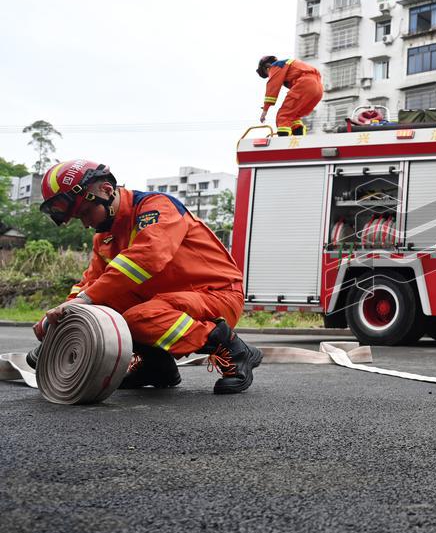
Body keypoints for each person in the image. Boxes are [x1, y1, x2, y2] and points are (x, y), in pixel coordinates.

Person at [31, 159, 263, 395]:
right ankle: (157, 367)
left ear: (107, 191)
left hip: (217, 294)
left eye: (86, 213)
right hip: (167, 300)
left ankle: (234, 349)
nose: (86, 223)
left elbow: (148, 256)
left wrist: (85, 300)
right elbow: (91, 283)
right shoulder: (105, 237)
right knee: (103, 306)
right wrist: (63, 318)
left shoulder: (157, 207)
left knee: (136, 318)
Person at [257, 55, 323, 136]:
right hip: (318, 88)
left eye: (267, 74)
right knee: (294, 115)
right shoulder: (288, 64)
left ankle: (284, 142)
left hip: (305, 84)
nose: (270, 76)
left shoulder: (276, 65)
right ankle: (298, 140)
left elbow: (273, 86)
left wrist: (265, 110)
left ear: (267, 67)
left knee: (284, 115)